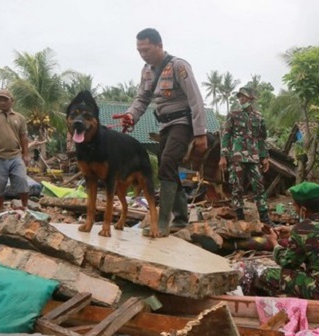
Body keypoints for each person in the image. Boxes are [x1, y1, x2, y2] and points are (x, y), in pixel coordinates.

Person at [113, 28, 208, 237]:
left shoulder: (178, 66)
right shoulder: (146, 71)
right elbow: (142, 99)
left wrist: (200, 133)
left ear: (159, 45)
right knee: (169, 169)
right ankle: (182, 218)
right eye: (139, 51)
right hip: (164, 125)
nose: (143, 54)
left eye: (146, 49)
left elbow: (196, 99)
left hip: (183, 123)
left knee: (166, 163)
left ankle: (163, 222)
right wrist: (131, 116)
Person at [218, 87, 273, 225]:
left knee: (259, 186)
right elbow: (226, 136)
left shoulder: (258, 116)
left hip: (253, 157)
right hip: (237, 156)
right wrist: (223, 156)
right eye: (240, 97)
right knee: (236, 187)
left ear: (251, 99)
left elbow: (262, 138)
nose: (241, 100)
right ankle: (240, 217)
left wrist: (264, 157)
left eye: (244, 97)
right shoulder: (233, 114)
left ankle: (265, 219)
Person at [0, 89, 30, 211]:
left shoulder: (19, 118)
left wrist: (26, 154)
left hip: (15, 156)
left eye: (5, 100)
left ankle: (25, 206)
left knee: (22, 180)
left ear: (12, 101)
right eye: (0, 99)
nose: (2, 102)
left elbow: (23, 137)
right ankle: (1, 207)